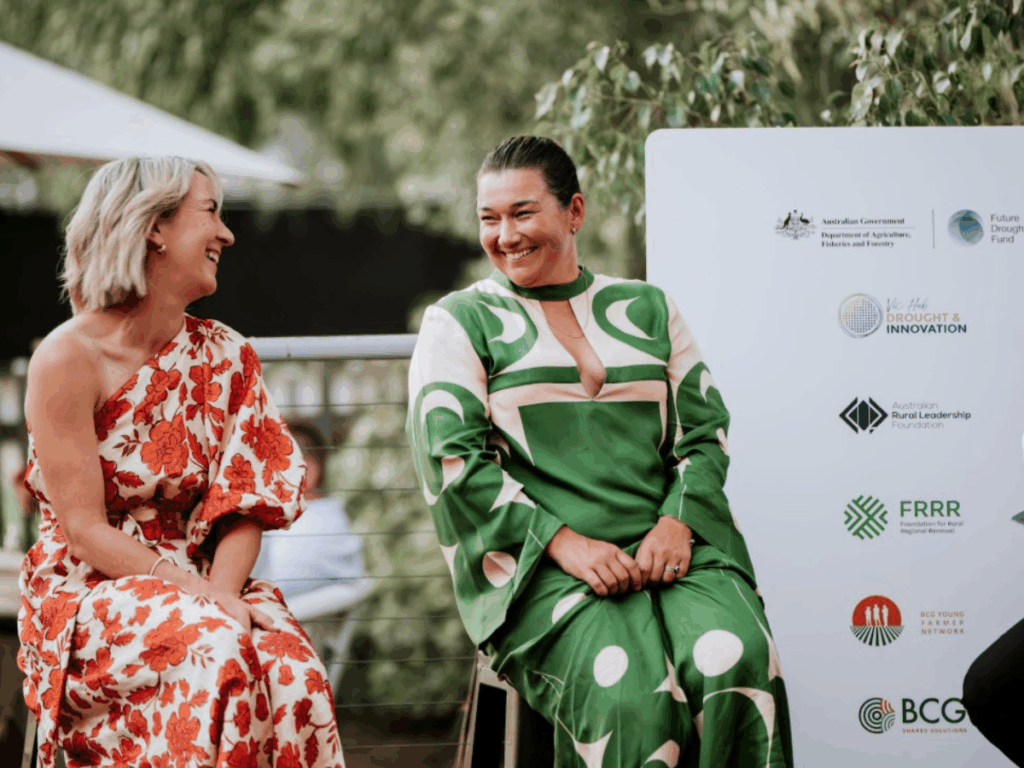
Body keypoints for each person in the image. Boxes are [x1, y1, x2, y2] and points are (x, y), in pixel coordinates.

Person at [407, 136, 792, 767]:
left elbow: (704, 432)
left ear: (574, 212)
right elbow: (454, 462)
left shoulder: (649, 307)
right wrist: (567, 543)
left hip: (673, 550)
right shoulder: (458, 322)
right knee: (632, 702)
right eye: (489, 218)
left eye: (524, 212)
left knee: (738, 664)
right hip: (545, 568)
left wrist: (677, 523)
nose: (505, 235)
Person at [18, 157, 345, 768]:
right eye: (211, 212)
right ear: (154, 226)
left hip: (204, 581)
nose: (226, 234)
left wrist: (219, 591)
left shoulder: (227, 354)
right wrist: (197, 595)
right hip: (91, 590)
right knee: (217, 650)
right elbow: (84, 531)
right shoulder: (65, 359)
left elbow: (244, 501)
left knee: (293, 671)